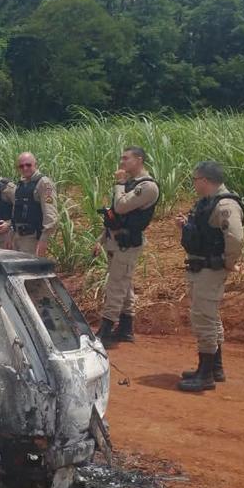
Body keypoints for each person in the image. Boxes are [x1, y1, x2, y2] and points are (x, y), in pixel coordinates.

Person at [176, 161, 244, 392]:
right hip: (202, 267)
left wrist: (228, 262)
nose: (194, 184)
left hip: (210, 269)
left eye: (195, 180)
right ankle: (214, 367)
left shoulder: (224, 204)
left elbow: (235, 237)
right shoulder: (209, 203)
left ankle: (206, 375)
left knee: (203, 318)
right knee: (210, 317)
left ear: (204, 180)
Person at [92, 146, 159, 348]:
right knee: (124, 284)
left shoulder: (146, 187)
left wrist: (120, 184)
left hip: (127, 243)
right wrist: (100, 239)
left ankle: (106, 329)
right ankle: (126, 327)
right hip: (116, 240)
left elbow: (121, 206)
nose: (122, 162)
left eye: (126, 158)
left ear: (139, 160)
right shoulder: (131, 184)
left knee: (116, 285)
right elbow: (115, 214)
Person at [5, 151, 57, 257]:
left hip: (33, 239)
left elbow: (50, 215)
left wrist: (43, 240)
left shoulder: (43, 183)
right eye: (21, 166)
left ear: (35, 165)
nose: (25, 168)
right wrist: (10, 234)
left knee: (30, 272)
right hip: (18, 238)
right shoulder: (21, 185)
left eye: (28, 165)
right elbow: (16, 213)